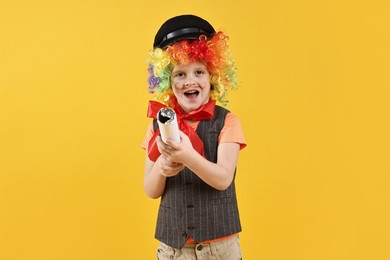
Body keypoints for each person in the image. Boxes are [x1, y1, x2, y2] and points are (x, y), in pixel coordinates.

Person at [141, 14, 246, 260]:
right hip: (173, 250)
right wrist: (163, 168)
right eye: (180, 74)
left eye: (199, 71)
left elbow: (222, 179)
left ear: (213, 77)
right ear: (167, 80)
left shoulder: (227, 122)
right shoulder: (157, 124)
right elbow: (150, 189)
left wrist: (188, 156)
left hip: (221, 250)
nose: (191, 80)